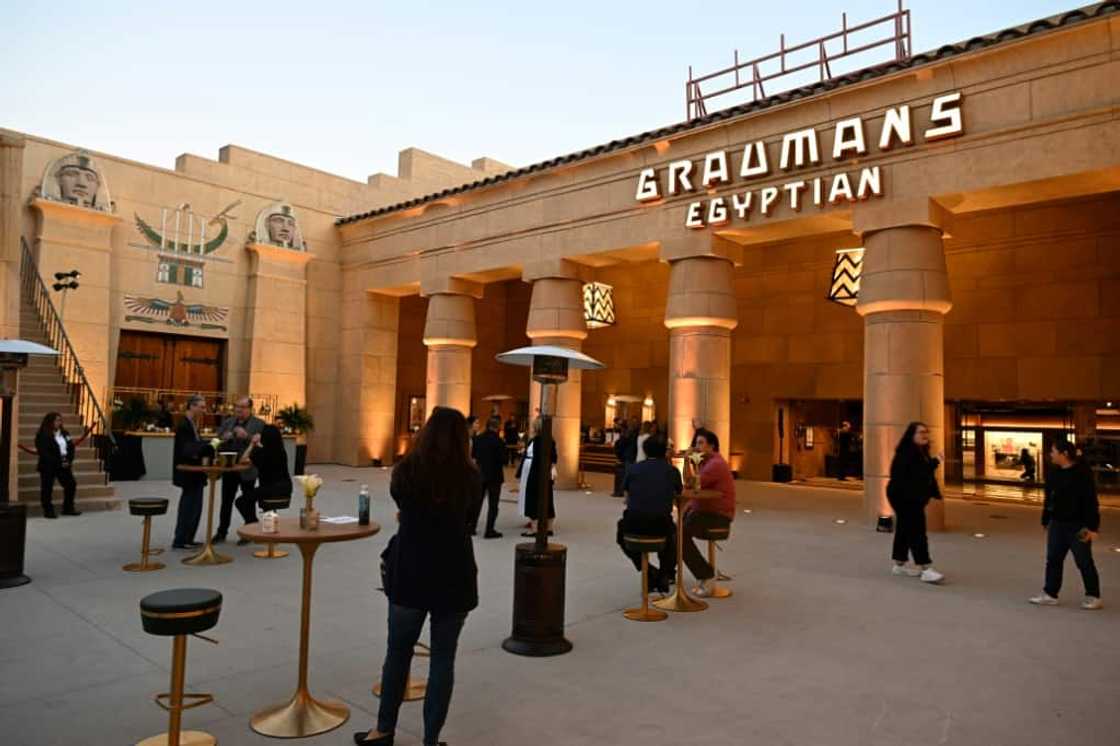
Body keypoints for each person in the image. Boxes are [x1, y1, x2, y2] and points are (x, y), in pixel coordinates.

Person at [357, 407, 481, 746]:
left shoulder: (406, 470)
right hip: (454, 574)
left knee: (397, 652)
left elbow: (403, 505)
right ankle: (430, 739)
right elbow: (470, 519)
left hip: (411, 570)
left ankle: (383, 730)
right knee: (443, 659)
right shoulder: (470, 477)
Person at [1029, 439, 1102, 609]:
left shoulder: (1082, 474)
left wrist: (1092, 527)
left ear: (1065, 454)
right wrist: (1046, 519)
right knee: (1053, 559)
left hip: (1079, 525)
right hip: (1057, 524)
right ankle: (1050, 593)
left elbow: (1091, 502)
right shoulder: (1054, 473)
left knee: (1083, 560)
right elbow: (1049, 498)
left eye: (1054, 451)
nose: (1051, 455)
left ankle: (1093, 595)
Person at [885, 422, 945, 584]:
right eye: (920, 432)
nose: (925, 434)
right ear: (911, 435)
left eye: (926, 431)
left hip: (909, 496)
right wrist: (936, 461)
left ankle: (899, 564)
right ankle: (925, 568)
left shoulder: (919, 452)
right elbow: (918, 473)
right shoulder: (907, 452)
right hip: (904, 497)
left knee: (904, 529)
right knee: (917, 530)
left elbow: (923, 473)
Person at [617, 436, 679, 594]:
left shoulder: (633, 469)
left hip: (634, 525)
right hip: (660, 525)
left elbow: (626, 497)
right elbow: (679, 493)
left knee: (621, 533)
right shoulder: (671, 471)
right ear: (665, 452)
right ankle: (665, 573)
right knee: (672, 536)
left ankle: (649, 570)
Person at [682, 429, 736, 597]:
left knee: (678, 535)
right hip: (707, 513)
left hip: (717, 517)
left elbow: (690, 484)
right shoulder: (708, 463)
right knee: (676, 528)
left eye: (700, 443)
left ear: (711, 446)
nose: (696, 447)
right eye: (695, 443)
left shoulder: (715, 465)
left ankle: (706, 574)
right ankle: (669, 572)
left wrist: (686, 461)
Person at [212, 397, 265, 543]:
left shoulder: (259, 424)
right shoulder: (228, 422)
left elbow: (262, 446)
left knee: (247, 500)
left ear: (250, 409)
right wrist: (224, 438)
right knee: (226, 501)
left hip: (248, 469)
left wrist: (247, 436)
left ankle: (250, 530)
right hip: (229, 467)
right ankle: (222, 532)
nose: (238, 410)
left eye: (242, 407)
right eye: (236, 407)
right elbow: (216, 441)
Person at [171, 395, 214, 549]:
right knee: (189, 506)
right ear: (192, 406)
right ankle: (181, 539)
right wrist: (210, 445)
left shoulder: (192, 424)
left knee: (196, 507)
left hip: (196, 473)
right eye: (201, 407)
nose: (204, 410)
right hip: (189, 472)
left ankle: (188, 538)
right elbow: (188, 449)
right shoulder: (184, 425)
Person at [233, 425, 292, 537]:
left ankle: (252, 522)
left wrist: (252, 444)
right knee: (261, 498)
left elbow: (242, 460)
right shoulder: (281, 451)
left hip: (269, 489)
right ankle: (269, 530)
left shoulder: (260, 452)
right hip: (285, 488)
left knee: (241, 501)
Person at [29, 413, 89, 518]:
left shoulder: (65, 433)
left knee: (71, 484)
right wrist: (58, 462)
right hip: (49, 465)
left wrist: (68, 460)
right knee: (47, 488)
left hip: (64, 463)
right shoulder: (42, 435)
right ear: (50, 422)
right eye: (56, 420)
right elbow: (44, 452)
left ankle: (68, 508)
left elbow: (71, 447)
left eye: (60, 420)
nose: (58, 423)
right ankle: (48, 510)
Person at [517, 418, 558, 536]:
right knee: (548, 498)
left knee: (532, 499)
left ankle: (534, 529)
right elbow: (554, 457)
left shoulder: (536, 441)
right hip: (545, 473)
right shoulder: (550, 440)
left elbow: (535, 459)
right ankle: (549, 528)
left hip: (534, 473)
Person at [470, 416, 506, 538]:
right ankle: (489, 529)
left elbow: (474, 456)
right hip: (495, 476)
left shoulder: (478, 439)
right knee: (493, 504)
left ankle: (472, 526)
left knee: (477, 502)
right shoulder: (499, 441)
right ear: (497, 427)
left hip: (481, 474)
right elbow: (504, 460)